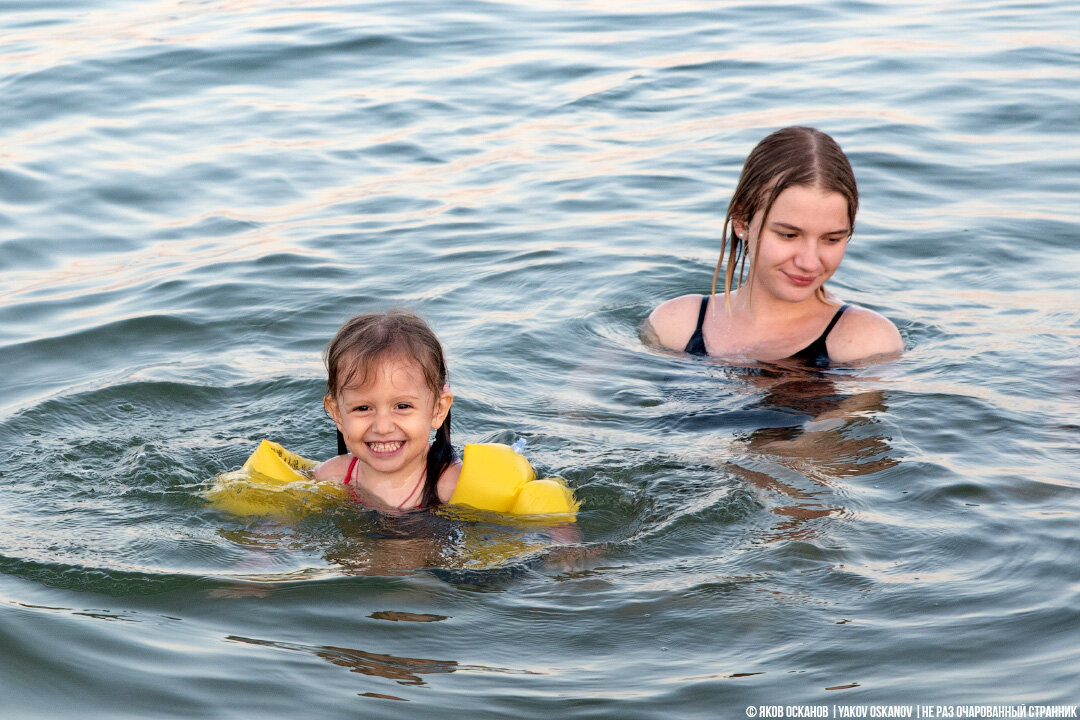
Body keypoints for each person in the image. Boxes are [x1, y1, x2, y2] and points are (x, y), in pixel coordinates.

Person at [645, 126, 903, 365]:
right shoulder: (676, 325)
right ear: (742, 222)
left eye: (832, 239)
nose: (809, 262)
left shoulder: (864, 342)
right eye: (788, 235)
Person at [313, 311, 461, 511]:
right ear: (337, 413)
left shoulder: (452, 486)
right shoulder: (332, 476)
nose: (382, 428)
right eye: (362, 408)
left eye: (402, 406)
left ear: (438, 410)